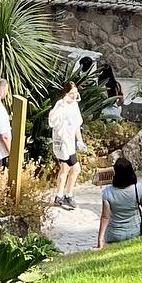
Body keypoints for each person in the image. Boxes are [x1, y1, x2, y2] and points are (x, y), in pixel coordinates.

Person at [96, 155, 142, 247]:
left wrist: (100, 240)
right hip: (135, 231)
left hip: (115, 235)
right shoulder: (138, 188)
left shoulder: (108, 192)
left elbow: (105, 217)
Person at [48, 79, 86, 209]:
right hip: (62, 142)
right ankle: (64, 195)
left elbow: (76, 126)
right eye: (71, 93)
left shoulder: (74, 105)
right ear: (66, 93)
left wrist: (80, 141)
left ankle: (64, 195)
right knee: (70, 168)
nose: (74, 95)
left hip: (70, 142)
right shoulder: (61, 104)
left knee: (70, 169)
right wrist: (62, 105)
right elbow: (52, 120)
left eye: (75, 92)